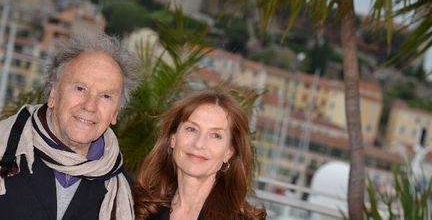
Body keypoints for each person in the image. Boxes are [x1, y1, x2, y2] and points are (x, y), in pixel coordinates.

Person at [0, 32, 142, 220]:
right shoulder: (5, 150)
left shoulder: (127, 193)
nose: (90, 105)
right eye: (80, 88)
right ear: (53, 94)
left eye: (106, 96)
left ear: (115, 113)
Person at [134, 90, 266, 220]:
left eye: (215, 135)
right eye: (191, 129)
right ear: (172, 138)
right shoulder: (138, 207)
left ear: (229, 152)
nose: (199, 144)